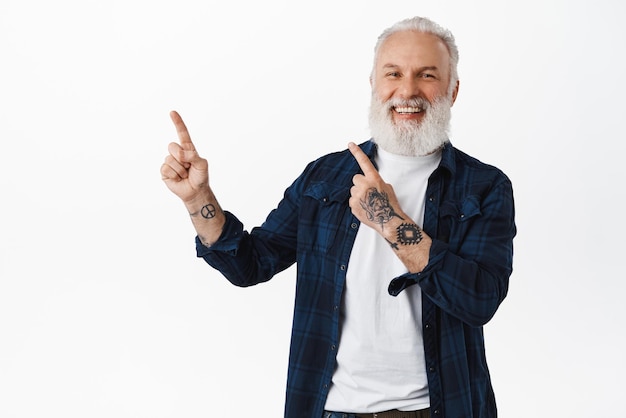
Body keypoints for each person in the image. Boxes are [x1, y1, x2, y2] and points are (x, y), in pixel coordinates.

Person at [161, 16, 515, 418]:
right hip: (331, 409)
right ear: (373, 85)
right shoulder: (324, 178)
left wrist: (390, 221)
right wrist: (197, 199)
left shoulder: (484, 187)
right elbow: (250, 263)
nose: (408, 90)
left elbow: (479, 299)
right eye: (393, 73)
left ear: (453, 90)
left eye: (427, 75)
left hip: (440, 409)